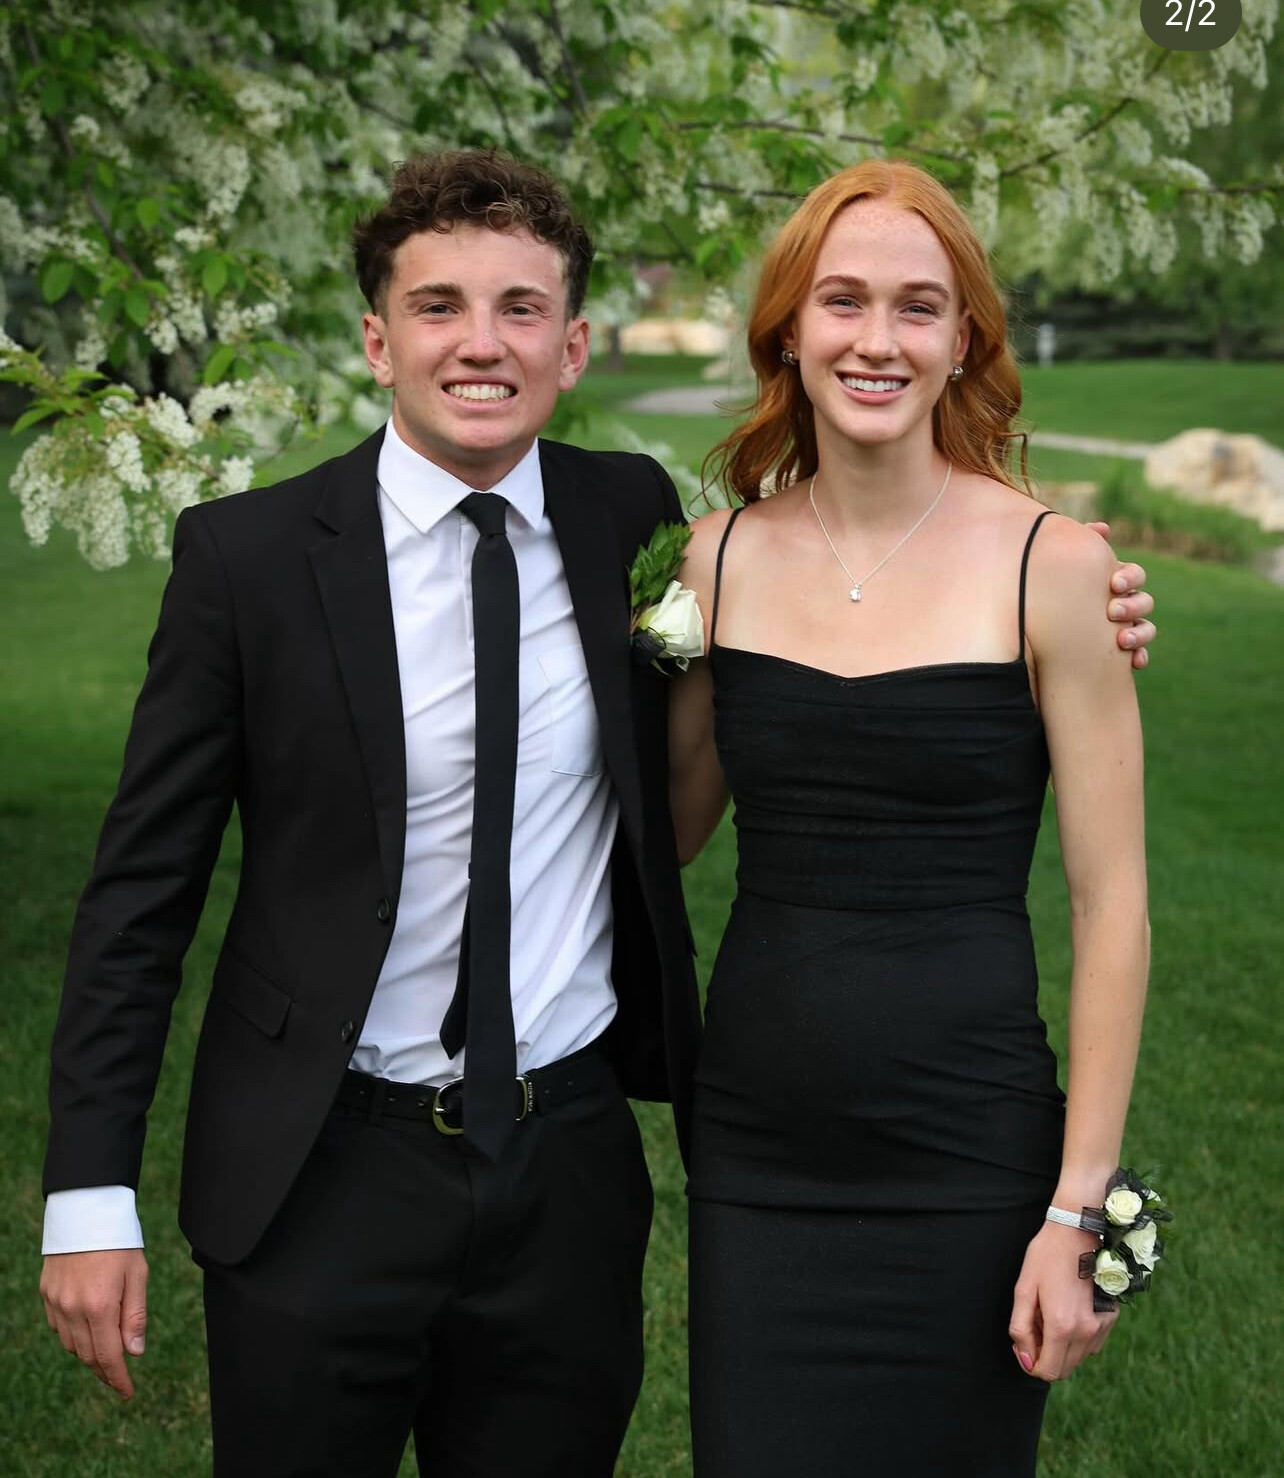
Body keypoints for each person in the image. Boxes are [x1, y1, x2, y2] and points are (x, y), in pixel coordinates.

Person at [37, 149, 1152, 1477]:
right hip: (325, 1165)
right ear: (377, 340)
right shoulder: (262, 559)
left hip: (571, 1173)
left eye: (521, 310)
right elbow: (140, 896)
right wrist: (88, 1190)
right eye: (439, 307)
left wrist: (1075, 598)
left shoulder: (633, 526)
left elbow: (711, 786)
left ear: (571, 348)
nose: (481, 345)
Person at [669, 160, 1150, 1477]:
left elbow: (1112, 904)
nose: (877, 339)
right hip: (757, 1153)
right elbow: (665, 835)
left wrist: (1081, 1208)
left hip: (972, 1153)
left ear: (965, 342)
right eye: (843, 300)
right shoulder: (711, 561)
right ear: (788, 330)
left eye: (917, 307)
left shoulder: (1056, 567)